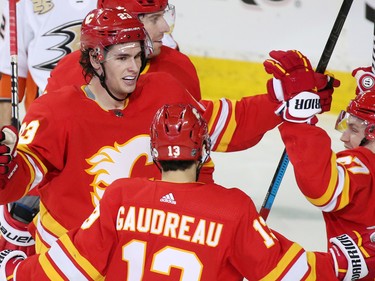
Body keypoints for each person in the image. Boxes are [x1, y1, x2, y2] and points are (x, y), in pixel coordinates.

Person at [0, 6, 337, 259]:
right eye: (122, 58)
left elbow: (227, 123)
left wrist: (282, 99)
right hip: (74, 256)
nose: (133, 68)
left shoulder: (163, 90)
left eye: (137, 56)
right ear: (96, 60)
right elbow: (24, 176)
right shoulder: (56, 109)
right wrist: (5, 171)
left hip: (150, 252)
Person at [0, 103, 374, 280]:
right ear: (205, 152)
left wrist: (13, 268)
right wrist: (355, 261)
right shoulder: (233, 208)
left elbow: (69, 267)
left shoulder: (120, 197)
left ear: (152, 152)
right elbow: (293, 273)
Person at [0, 0, 181, 258]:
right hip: (45, 144)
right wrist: (7, 150)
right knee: (19, 215)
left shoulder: (125, 11)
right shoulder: (29, 5)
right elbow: (8, 80)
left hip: (104, 148)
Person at [263, 53, 375, 276]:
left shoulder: (362, 163)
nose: (344, 138)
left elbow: (322, 189)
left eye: (353, 129)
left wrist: (300, 122)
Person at [44, 0, 201, 101]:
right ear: (124, 22)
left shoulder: (179, 66)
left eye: (163, 16)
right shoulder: (69, 69)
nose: (165, 28)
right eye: (154, 19)